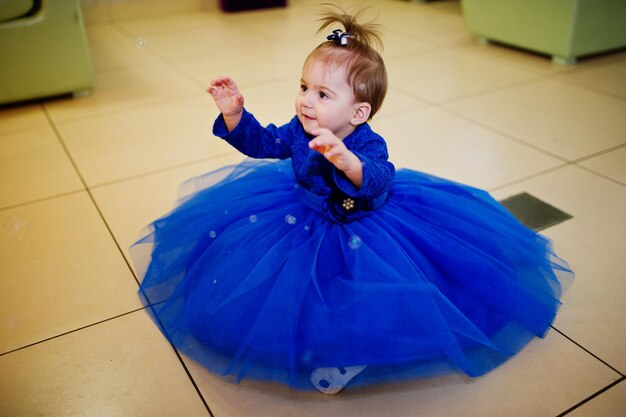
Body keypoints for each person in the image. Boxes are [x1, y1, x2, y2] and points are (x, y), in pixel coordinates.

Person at [132, 6, 573, 394]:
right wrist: (234, 115)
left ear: (358, 112)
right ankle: (311, 341)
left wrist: (347, 161)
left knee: (362, 290)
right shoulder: (300, 128)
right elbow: (265, 142)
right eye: (304, 87)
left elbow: (380, 178)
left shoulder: (369, 142)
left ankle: (356, 351)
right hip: (300, 215)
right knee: (298, 290)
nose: (306, 101)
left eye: (322, 95)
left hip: (364, 226)